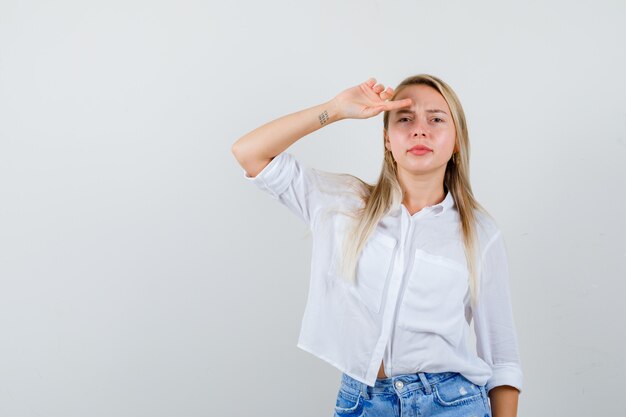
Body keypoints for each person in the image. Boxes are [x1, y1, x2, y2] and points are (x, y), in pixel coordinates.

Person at [231, 75, 523, 417]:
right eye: (405, 118)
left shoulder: (480, 233)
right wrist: (335, 109)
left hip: (452, 404)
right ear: (387, 139)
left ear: (456, 141)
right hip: (363, 404)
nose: (419, 130)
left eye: (436, 119)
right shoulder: (343, 204)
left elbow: (502, 361)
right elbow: (249, 153)